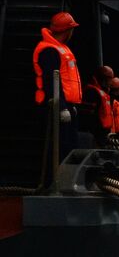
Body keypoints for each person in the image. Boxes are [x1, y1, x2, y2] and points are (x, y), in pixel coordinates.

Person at [32, 12, 83, 156]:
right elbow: (51, 80)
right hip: (55, 106)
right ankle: (55, 171)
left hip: (66, 105)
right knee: (60, 148)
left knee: (70, 147)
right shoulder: (49, 50)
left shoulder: (61, 48)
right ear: (68, 30)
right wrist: (61, 107)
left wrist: (71, 105)